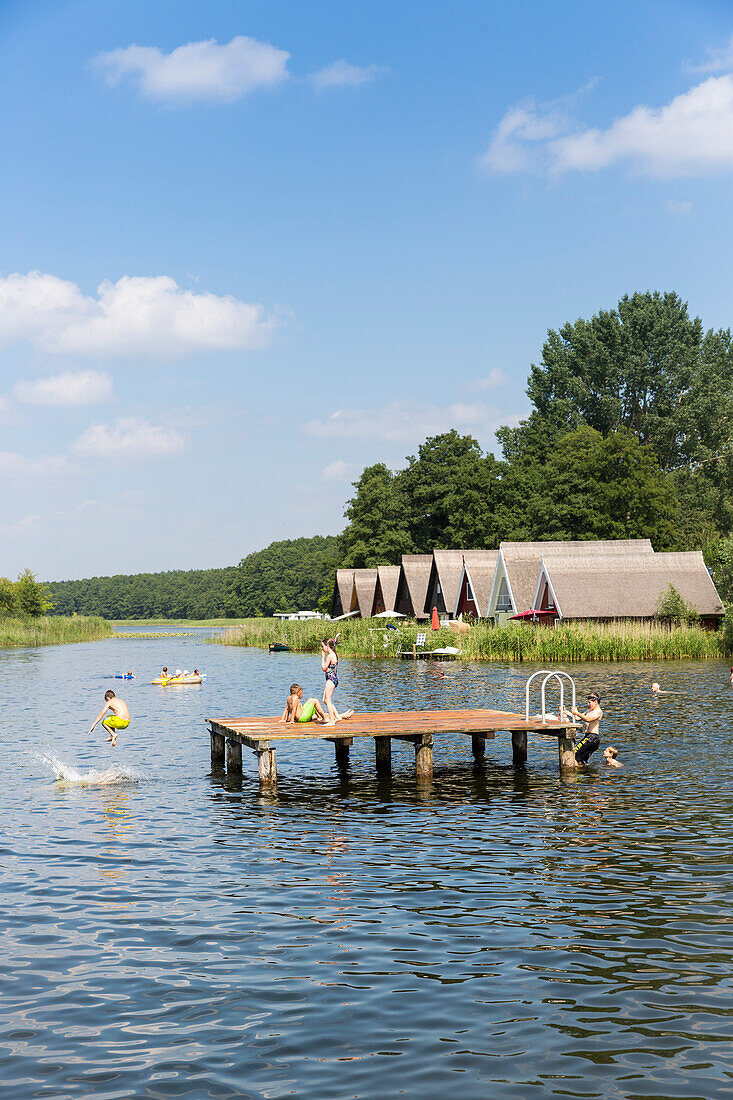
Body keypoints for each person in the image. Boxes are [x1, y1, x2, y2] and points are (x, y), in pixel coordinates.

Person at [321, 638, 353, 723]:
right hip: (332, 678)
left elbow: (324, 668)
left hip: (331, 679)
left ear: (327, 646)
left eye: (323, 646)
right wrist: (327, 669)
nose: (322, 649)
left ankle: (332, 721)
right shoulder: (333, 654)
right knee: (324, 700)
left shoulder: (330, 656)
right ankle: (337, 716)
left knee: (327, 700)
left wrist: (322, 658)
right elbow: (329, 668)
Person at [570, 692, 603, 764]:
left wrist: (576, 712)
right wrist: (566, 712)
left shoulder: (598, 711)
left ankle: (573, 773)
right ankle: (583, 774)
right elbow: (578, 718)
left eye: (589, 702)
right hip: (588, 737)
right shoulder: (590, 710)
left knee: (574, 753)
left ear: (596, 702)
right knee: (581, 760)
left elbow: (588, 719)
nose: (588, 704)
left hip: (592, 738)